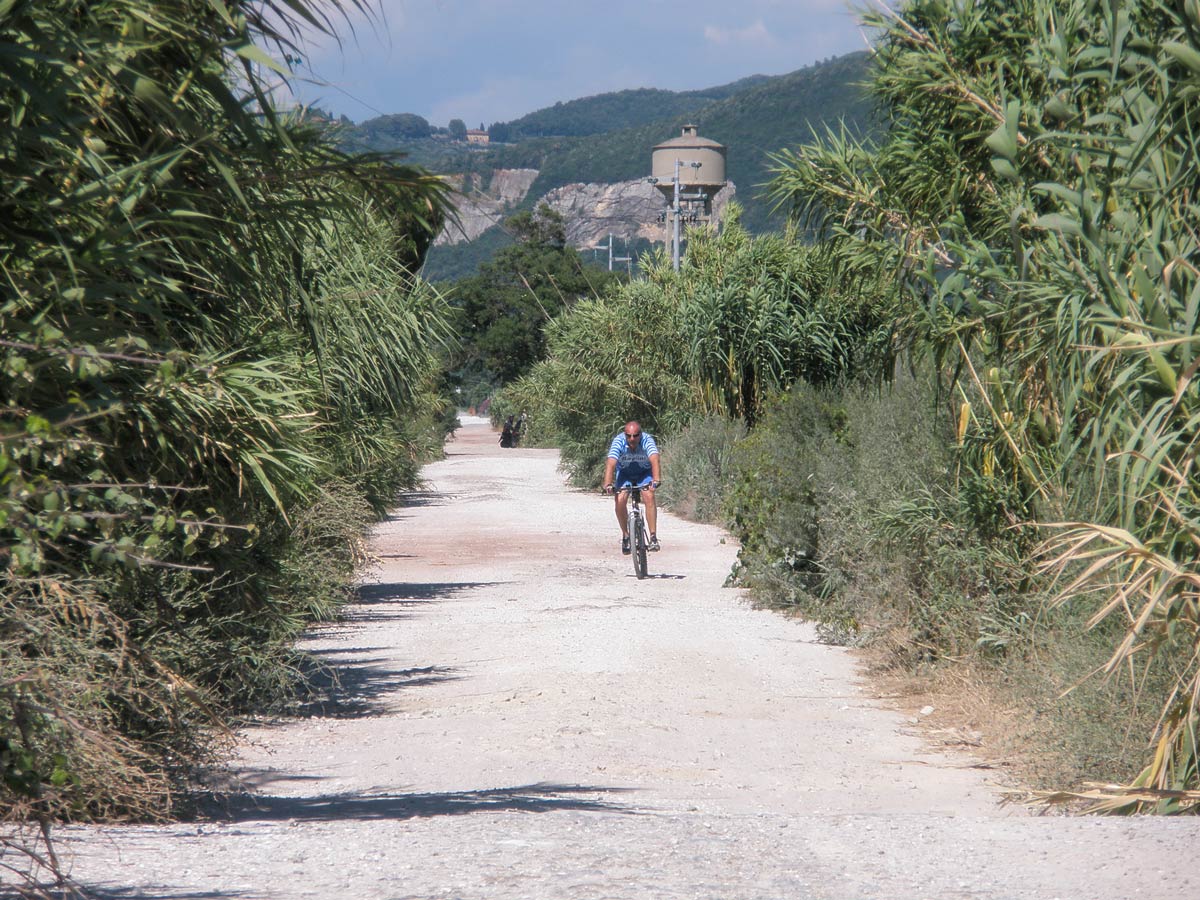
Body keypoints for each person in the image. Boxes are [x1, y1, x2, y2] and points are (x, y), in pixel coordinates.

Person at [602, 420, 662, 554]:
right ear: (625, 435)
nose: (632, 439)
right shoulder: (619, 441)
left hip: (644, 473)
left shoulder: (647, 440)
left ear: (640, 434)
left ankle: (653, 537)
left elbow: (654, 459)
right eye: (629, 436)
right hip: (625, 474)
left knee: (649, 496)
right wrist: (608, 483)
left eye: (635, 435)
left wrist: (656, 480)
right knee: (620, 500)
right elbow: (611, 463)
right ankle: (626, 535)